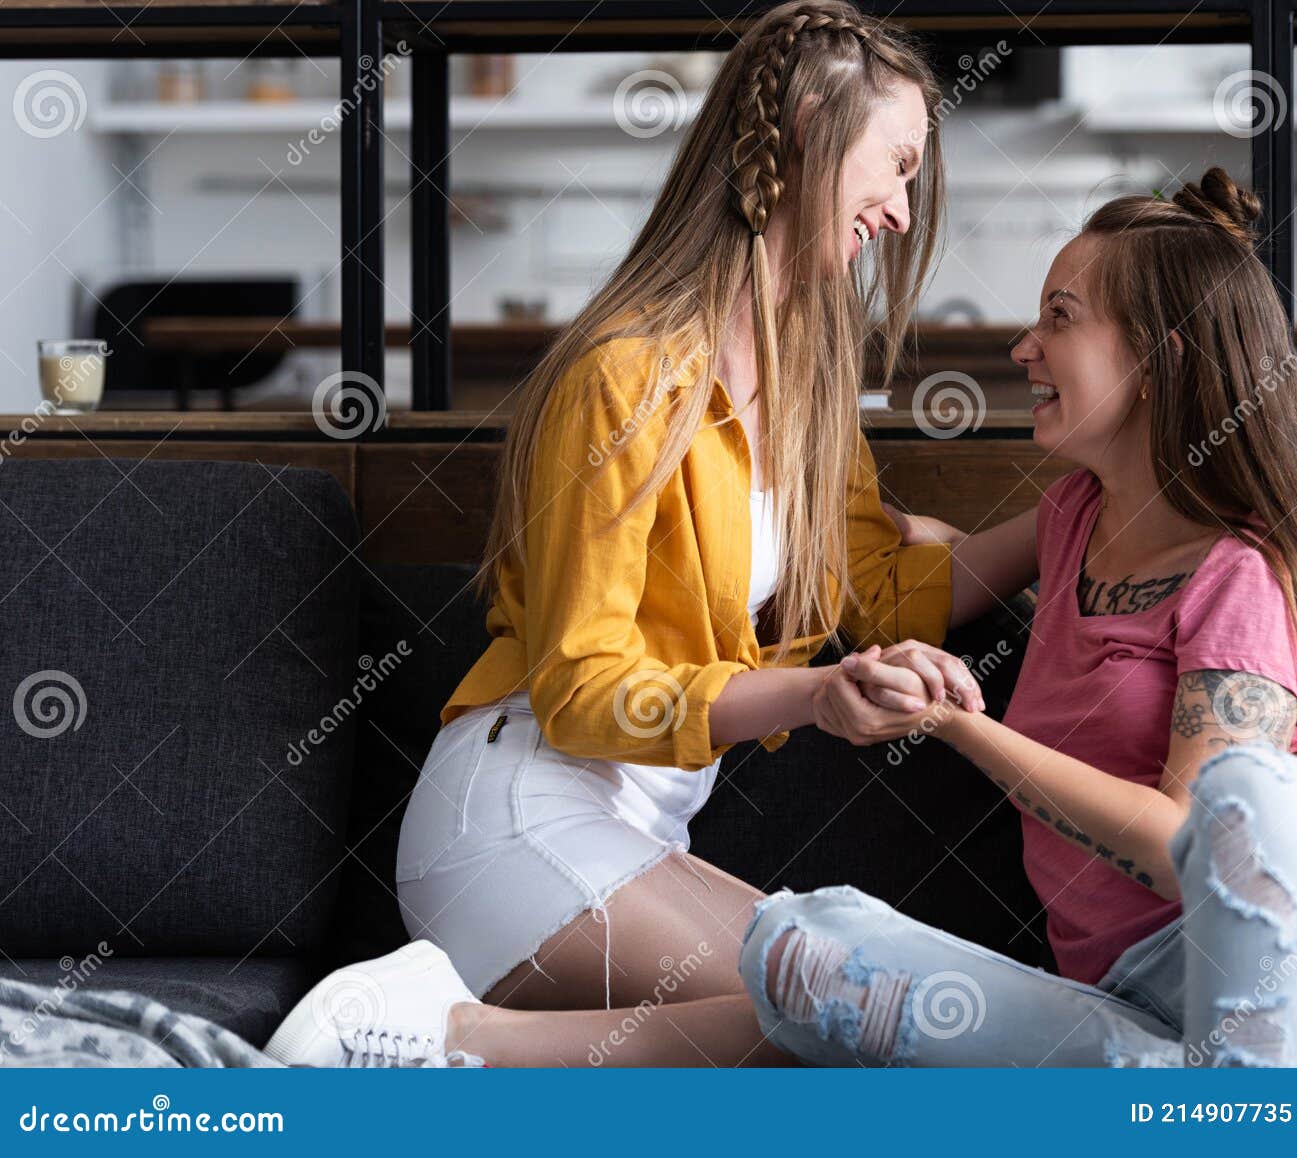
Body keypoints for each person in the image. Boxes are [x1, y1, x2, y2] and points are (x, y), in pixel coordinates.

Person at [264, 0, 1033, 1069]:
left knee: (852, 1028)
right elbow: (581, 690)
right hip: (519, 816)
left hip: (629, 836)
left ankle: (431, 1048)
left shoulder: (808, 388)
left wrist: (1069, 520)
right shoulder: (623, 379)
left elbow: (881, 593)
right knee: (853, 1012)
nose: (902, 211)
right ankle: (402, 1036)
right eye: (894, 164)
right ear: (808, 124)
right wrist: (813, 695)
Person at [741, 167, 1297, 1068]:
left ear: (1162, 361)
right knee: (800, 952)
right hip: (1130, 993)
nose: (1026, 347)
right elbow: (925, 560)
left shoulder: (1244, 579)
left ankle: (1259, 1070)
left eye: (1060, 319)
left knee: (1254, 798)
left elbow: (1184, 847)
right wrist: (773, 494)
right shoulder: (1076, 516)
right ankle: (1249, 1088)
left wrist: (955, 725)